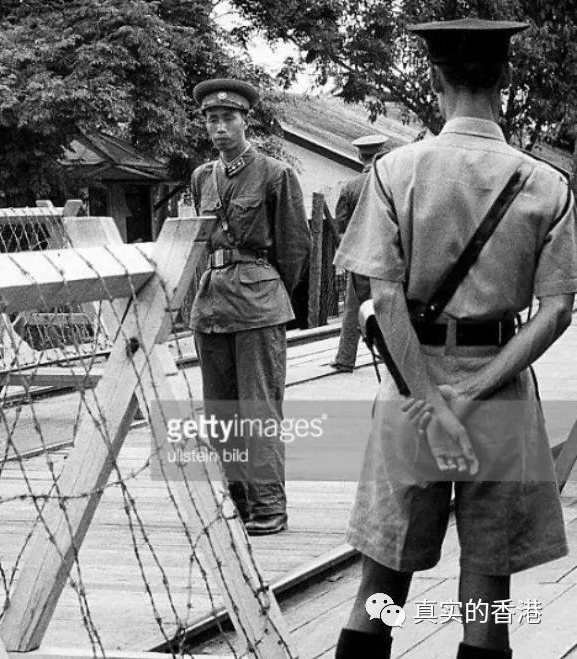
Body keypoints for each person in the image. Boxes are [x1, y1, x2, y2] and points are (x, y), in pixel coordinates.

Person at [333, 18, 576, 659]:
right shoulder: (546, 183)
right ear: (505, 77)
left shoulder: (394, 171)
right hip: (500, 389)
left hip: (412, 390)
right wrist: (472, 392)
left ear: (434, 78)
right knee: (488, 596)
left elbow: (385, 299)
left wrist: (435, 404)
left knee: (380, 586)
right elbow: (557, 311)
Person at [189, 78, 311, 536]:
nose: (219, 128)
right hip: (212, 304)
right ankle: (237, 504)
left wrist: (270, 290)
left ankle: (269, 507)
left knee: (259, 409)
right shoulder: (203, 177)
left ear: (245, 121)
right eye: (211, 120)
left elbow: (295, 248)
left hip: (258, 302)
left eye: (228, 118)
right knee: (220, 412)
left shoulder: (274, 174)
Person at [331, 134, 389, 372]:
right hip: (388, 255)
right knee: (390, 305)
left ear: (359, 156)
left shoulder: (350, 187)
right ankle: (391, 355)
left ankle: (346, 358)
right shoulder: (391, 183)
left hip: (360, 256)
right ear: (382, 152)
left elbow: (341, 227)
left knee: (353, 308)